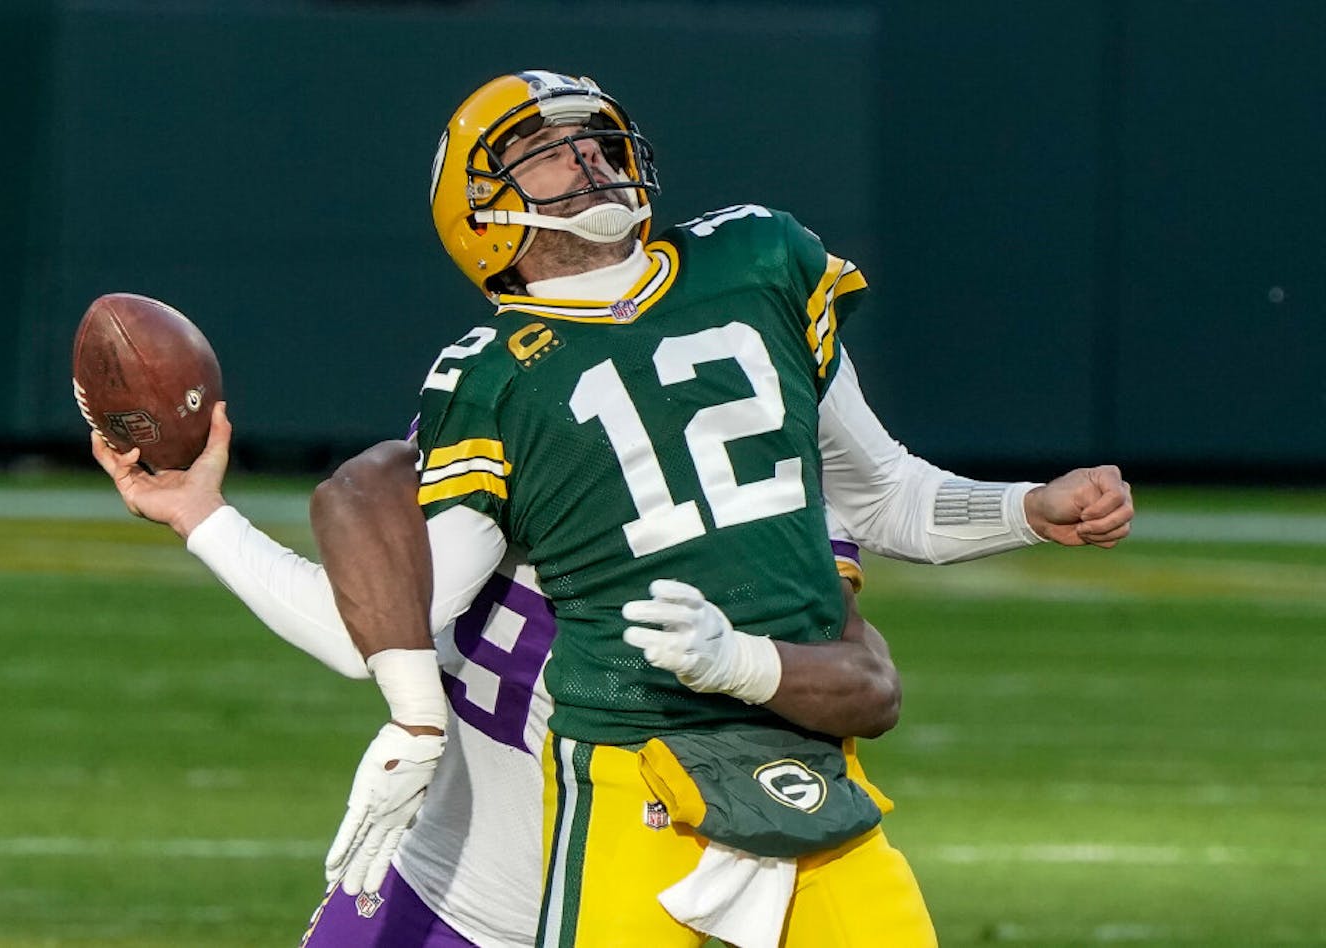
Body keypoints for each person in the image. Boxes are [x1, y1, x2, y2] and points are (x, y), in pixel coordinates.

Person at [91, 69, 1133, 947]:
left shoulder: (756, 280)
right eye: (547, 154)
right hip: (471, 869)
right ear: (482, 206)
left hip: (713, 814)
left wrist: (1025, 510)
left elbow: (886, 498)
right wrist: (204, 517)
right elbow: (362, 572)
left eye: (595, 145)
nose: (585, 165)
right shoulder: (491, 384)